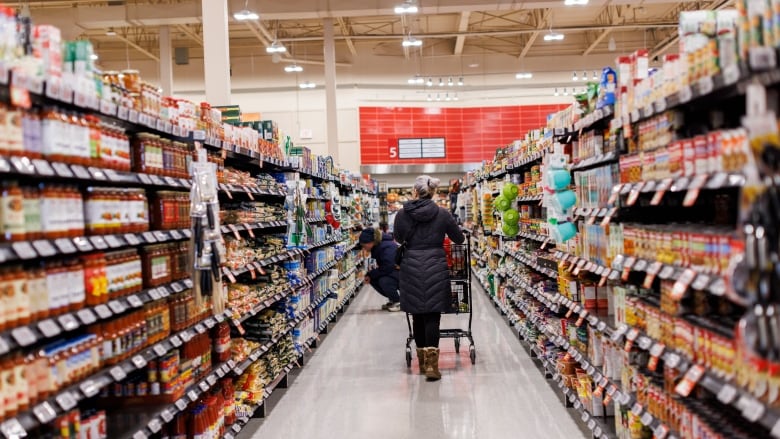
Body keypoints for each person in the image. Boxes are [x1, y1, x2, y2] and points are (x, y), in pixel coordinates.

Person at [394, 175, 465, 381]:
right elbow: (458, 238)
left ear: (414, 192)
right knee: (433, 314)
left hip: (411, 267)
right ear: (433, 192)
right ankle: (433, 367)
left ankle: (423, 364)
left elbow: (398, 239)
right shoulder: (442, 214)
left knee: (417, 314)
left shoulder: (401, 214)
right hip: (436, 265)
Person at [359, 227, 401, 312]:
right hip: (394, 272)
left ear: (371, 242)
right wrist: (369, 275)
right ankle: (393, 299)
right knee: (373, 279)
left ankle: (398, 302)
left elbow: (388, 266)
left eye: (364, 245)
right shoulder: (377, 246)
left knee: (384, 280)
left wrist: (372, 274)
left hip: (403, 274)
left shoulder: (387, 246)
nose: (363, 248)